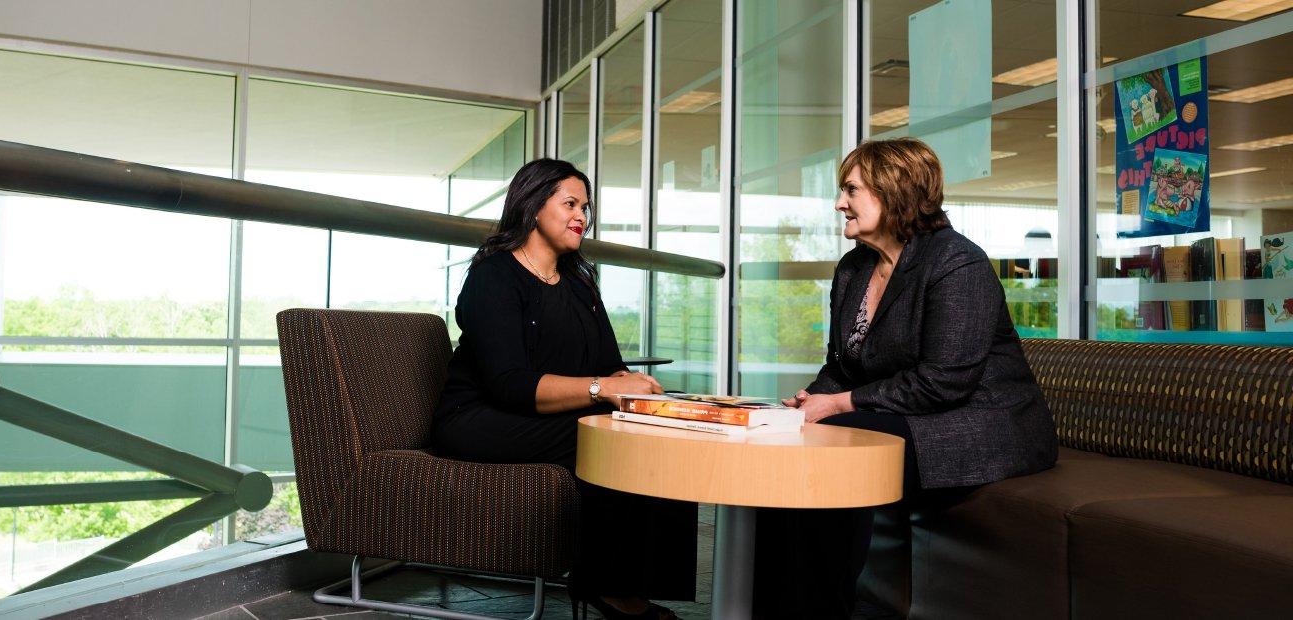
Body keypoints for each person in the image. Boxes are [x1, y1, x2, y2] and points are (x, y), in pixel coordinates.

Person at [755, 138, 1059, 618]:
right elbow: (842, 365)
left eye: (850, 190)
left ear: (891, 191)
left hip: (979, 424)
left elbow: (946, 381)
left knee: (835, 449)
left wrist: (837, 406)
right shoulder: (855, 267)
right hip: (910, 416)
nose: (839, 203)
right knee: (790, 441)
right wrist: (812, 399)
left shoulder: (958, 262)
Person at [432, 158, 696, 620]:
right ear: (534, 206)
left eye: (586, 207)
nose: (582, 217)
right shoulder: (493, 277)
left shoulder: (578, 282)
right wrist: (601, 390)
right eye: (570, 204)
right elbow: (510, 385)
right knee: (604, 438)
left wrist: (625, 384)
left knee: (657, 429)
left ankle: (633, 582)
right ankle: (609, 587)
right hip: (478, 418)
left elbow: (608, 363)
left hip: (542, 415)